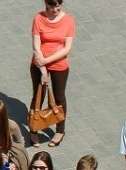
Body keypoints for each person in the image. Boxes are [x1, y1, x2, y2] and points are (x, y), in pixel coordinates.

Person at [30, 0, 75, 147]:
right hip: (39, 63)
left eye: (58, 6)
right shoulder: (38, 18)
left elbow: (67, 48)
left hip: (58, 63)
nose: (55, 9)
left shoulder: (68, 20)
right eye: (52, 6)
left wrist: (47, 61)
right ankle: (34, 128)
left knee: (59, 97)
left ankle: (60, 130)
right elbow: (36, 45)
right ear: (46, 4)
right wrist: (43, 69)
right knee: (38, 95)